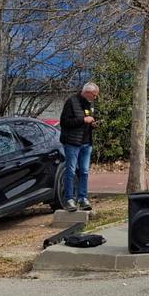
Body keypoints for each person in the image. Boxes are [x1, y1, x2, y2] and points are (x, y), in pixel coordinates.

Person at [59, 82, 99, 212]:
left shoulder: (91, 103)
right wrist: (83, 120)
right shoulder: (71, 102)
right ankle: (69, 199)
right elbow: (64, 123)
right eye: (94, 95)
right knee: (70, 170)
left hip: (86, 142)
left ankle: (82, 198)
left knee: (84, 171)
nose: (95, 98)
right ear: (87, 92)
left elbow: (91, 117)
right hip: (72, 143)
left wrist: (94, 123)